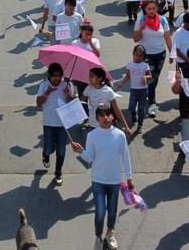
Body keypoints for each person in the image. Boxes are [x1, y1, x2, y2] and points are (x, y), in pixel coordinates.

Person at [70, 105, 135, 250]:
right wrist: (80, 151)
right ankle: (99, 236)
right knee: (100, 213)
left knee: (112, 211)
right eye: (102, 115)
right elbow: (89, 158)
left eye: (108, 115)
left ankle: (110, 234)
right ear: (97, 118)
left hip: (114, 180)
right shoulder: (92, 136)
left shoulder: (120, 135)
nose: (105, 118)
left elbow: (126, 157)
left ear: (113, 116)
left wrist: (129, 178)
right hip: (98, 180)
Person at [36, 63, 76, 186]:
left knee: (61, 150)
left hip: (63, 123)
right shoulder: (43, 85)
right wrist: (47, 92)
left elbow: (74, 102)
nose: (57, 78)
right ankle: (45, 154)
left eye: (59, 76)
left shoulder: (67, 85)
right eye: (54, 76)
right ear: (49, 76)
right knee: (48, 148)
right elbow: (38, 103)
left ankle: (58, 172)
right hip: (49, 122)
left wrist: (68, 94)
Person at [133, 0, 173, 117]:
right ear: (145, 9)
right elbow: (135, 39)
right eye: (149, 9)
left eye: (154, 8)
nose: (151, 11)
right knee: (151, 79)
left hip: (160, 54)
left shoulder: (163, 20)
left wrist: (172, 53)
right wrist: (141, 28)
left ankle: (148, 95)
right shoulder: (141, 20)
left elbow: (167, 37)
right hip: (146, 55)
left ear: (157, 9)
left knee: (155, 79)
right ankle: (152, 103)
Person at [115, 45, 151, 133]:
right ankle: (134, 114)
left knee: (141, 108)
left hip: (143, 90)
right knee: (131, 107)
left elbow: (150, 76)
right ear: (133, 54)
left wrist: (146, 77)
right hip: (134, 90)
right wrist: (121, 83)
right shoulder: (130, 65)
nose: (138, 57)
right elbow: (127, 76)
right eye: (136, 55)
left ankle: (140, 125)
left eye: (140, 55)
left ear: (143, 57)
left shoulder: (145, 65)